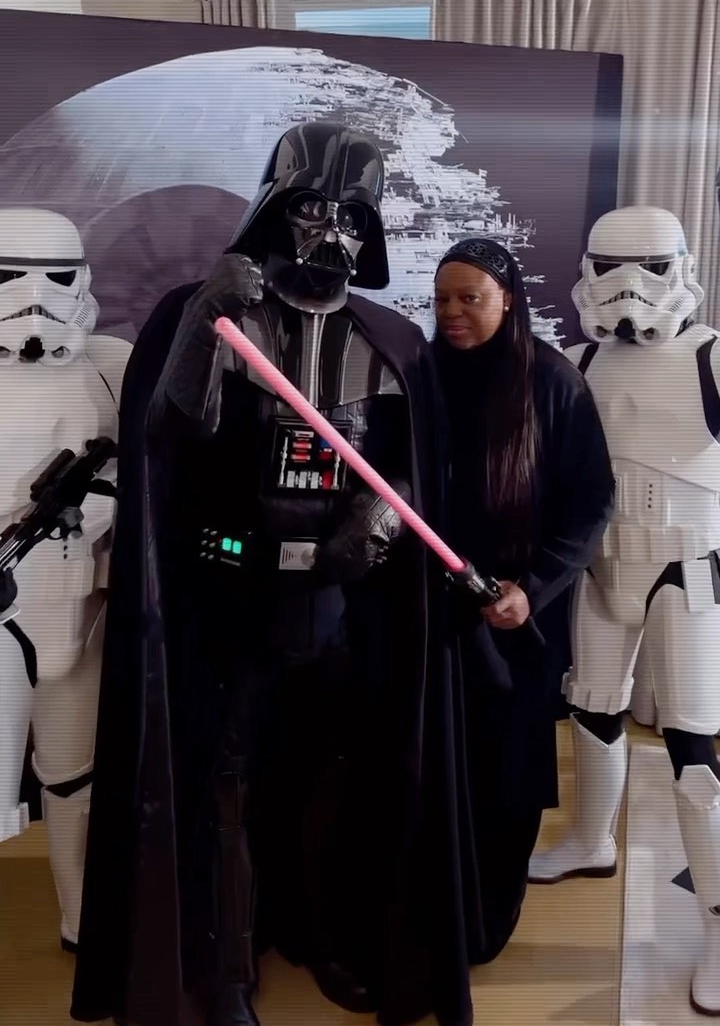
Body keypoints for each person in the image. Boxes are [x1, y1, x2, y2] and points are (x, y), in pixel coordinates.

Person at [71, 123, 494, 1026]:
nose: (330, 230)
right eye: (310, 207)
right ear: (273, 208)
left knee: (334, 773)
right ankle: (225, 965)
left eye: (351, 214)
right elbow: (167, 439)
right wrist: (202, 324)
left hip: (342, 601)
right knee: (229, 779)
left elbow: (419, 467)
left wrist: (382, 517)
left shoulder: (391, 339)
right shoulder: (215, 313)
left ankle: (323, 933)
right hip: (233, 594)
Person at [527, 205, 720, 1017]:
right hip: (602, 565)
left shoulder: (710, 357)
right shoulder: (578, 360)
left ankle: (718, 927)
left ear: (682, 268)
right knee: (590, 708)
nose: (628, 288)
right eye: (609, 268)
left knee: (695, 752)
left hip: (687, 569)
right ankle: (589, 839)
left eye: (649, 268)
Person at [432, 237, 615, 960]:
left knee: (505, 771)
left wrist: (531, 591)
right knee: (442, 760)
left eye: (469, 298)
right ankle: (438, 902)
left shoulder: (553, 382)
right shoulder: (421, 373)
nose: (452, 312)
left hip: (514, 617)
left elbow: (590, 502)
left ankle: (487, 918)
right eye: (442, 299)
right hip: (434, 613)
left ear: (507, 300)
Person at [0, 208, 129, 951]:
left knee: (75, 771)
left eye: (55, 277)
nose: (35, 298)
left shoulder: (108, 366)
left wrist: (102, 502)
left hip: (77, 602)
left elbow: (154, 462)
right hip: (9, 605)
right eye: (11, 277)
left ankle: (83, 918)